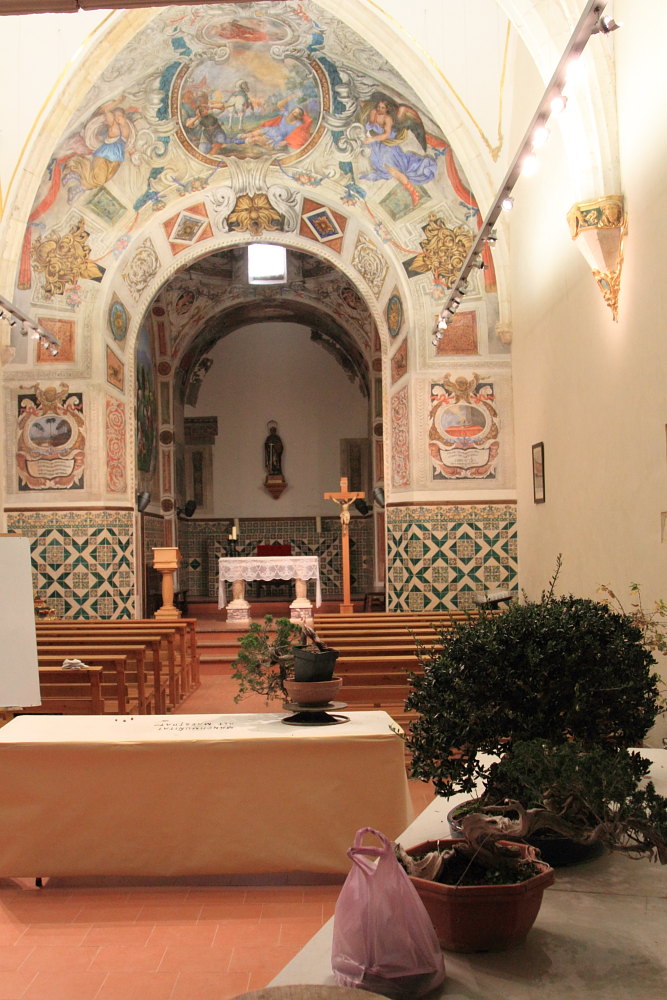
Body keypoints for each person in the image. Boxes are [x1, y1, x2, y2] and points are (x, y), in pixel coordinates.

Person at [362, 98, 437, 205]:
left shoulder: (388, 118)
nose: (380, 109)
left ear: (387, 109)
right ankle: (412, 191)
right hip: (377, 145)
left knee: (391, 169)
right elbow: (370, 125)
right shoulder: (374, 112)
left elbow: (386, 134)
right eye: (378, 107)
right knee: (386, 167)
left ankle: (413, 191)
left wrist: (372, 139)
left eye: (383, 108)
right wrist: (373, 117)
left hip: (388, 145)